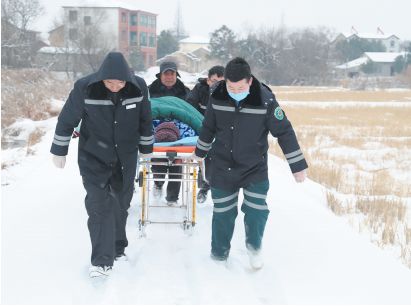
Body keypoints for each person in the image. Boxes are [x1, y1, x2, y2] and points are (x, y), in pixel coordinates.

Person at [193, 57, 308, 270]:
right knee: (223, 212)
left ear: (249, 82)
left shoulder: (265, 99)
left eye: (240, 88)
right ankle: (219, 255)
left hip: (254, 166)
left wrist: (297, 165)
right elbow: (208, 126)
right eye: (230, 87)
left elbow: (283, 131)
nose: (235, 92)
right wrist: (200, 152)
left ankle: (254, 248)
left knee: (256, 211)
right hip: (223, 165)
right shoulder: (217, 96)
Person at [50, 52, 153, 278]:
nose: (115, 87)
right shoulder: (85, 87)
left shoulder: (139, 87)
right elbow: (67, 119)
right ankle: (101, 262)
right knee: (99, 205)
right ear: (101, 77)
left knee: (121, 204)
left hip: (125, 157)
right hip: (93, 155)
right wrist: (59, 149)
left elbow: (145, 119)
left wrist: (146, 149)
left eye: (119, 82)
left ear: (128, 78)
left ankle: (117, 248)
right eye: (109, 82)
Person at [148, 61, 191, 205]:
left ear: (176, 75)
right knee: (158, 158)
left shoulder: (185, 91)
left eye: (172, 74)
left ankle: (172, 197)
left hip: (178, 128)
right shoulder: (150, 90)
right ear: (160, 75)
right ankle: (158, 183)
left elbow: (190, 111)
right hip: (157, 127)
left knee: (177, 161)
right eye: (166, 74)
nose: (169, 77)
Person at [187, 65, 225, 203]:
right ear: (208, 81)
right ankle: (204, 186)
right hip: (203, 129)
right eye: (214, 81)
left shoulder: (230, 92)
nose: (218, 84)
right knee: (205, 160)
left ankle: (217, 192)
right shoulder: (200, 89)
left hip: (223, 133)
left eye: (222, 81)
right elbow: (190, 108)